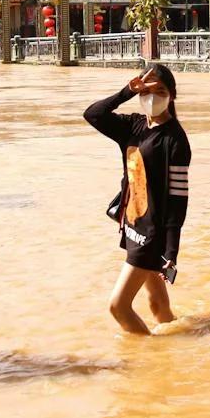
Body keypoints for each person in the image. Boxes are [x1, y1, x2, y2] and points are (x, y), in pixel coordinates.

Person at [84, 63, 192, 335]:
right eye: (147, 91)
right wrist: (126, 92)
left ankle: (152, 363)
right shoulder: (132, 125)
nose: (152, 97)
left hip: (152, 233)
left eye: (160, 91)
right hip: (132, 223)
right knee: (158, 306)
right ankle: (181, 348)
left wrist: (171, 250)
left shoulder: (175, 140)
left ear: (172, 95)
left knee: (118, 307)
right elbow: (93, 114)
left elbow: (178, 199)